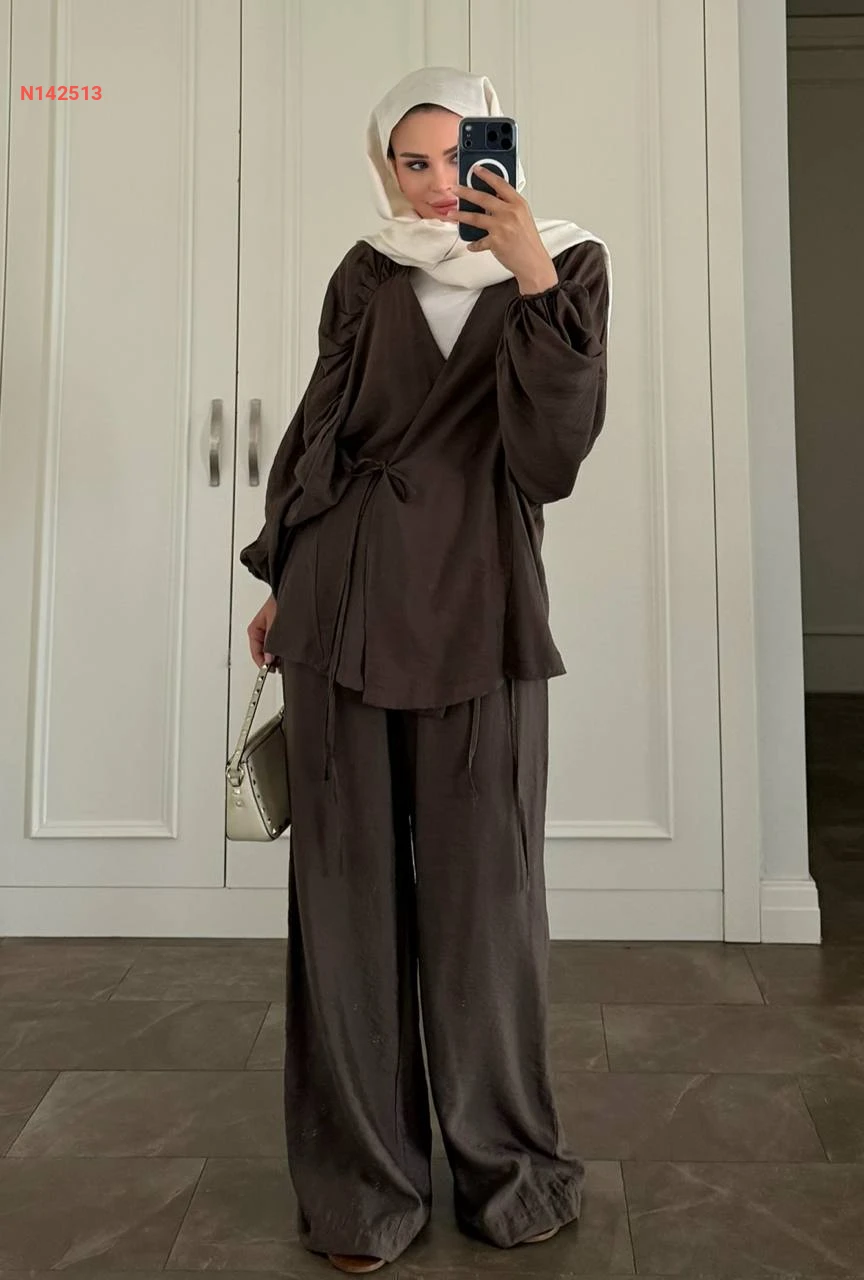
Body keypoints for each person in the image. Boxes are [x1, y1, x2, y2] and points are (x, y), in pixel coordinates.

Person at [240, 66, 611, 1277]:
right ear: (385, 169)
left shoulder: (567, 262)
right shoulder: (367, 268)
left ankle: (509, 1169)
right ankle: (363, 1193)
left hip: (479, 606)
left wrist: (531, 274)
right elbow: (321, 430)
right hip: (340, 600)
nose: (441, 181)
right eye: (414, 161)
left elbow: (551, 459)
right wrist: (282, 572)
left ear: (502, 149)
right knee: (344, 905)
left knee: (485, 906)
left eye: (462, 153)